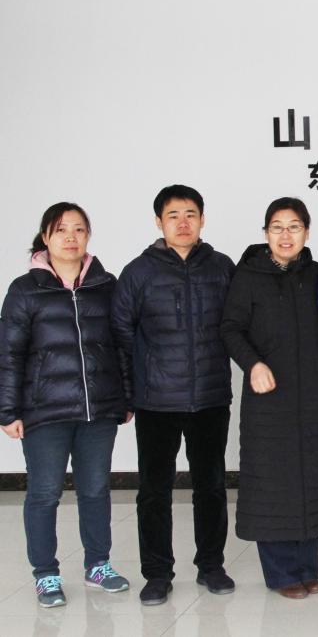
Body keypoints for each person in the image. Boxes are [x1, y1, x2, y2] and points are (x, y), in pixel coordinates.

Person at [0, 203, 131, 607]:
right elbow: (9, 354)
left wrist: (126, 396)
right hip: (44, 411)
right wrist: (7, 410)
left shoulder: (106, 286)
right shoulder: (25, 290)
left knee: (95, 490)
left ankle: (98, 565)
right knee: (44, 493)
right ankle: (46, 574)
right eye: (61, 230)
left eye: (79, 229)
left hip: (98, 410)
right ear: (45, 237)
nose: (71, 237)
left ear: (88, 236)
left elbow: (123, 346)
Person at [111, 185, 236, 606]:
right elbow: (121, 333)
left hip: (210, 396)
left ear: (202, 219)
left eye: (190, 215)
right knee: (154, 491)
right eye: (173, 216)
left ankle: (211, 565)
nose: (183, 223)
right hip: (156, 400)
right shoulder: (138, 273)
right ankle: (157, 573)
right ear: (158, 222)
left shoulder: (221, 267)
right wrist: (133, 389)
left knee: (211, 486)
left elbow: (238, 323)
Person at [220, 197, 318, 599]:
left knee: (311, 476)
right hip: (268, 397)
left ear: (307, 232)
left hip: (314, 397)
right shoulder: (248, 276)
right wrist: (252, 364)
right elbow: (231, 328)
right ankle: (281, 573)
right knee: (273, 482)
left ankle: (307, 568)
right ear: (266, 233)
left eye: (294, 227)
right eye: (277, 227)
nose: (285, 235)